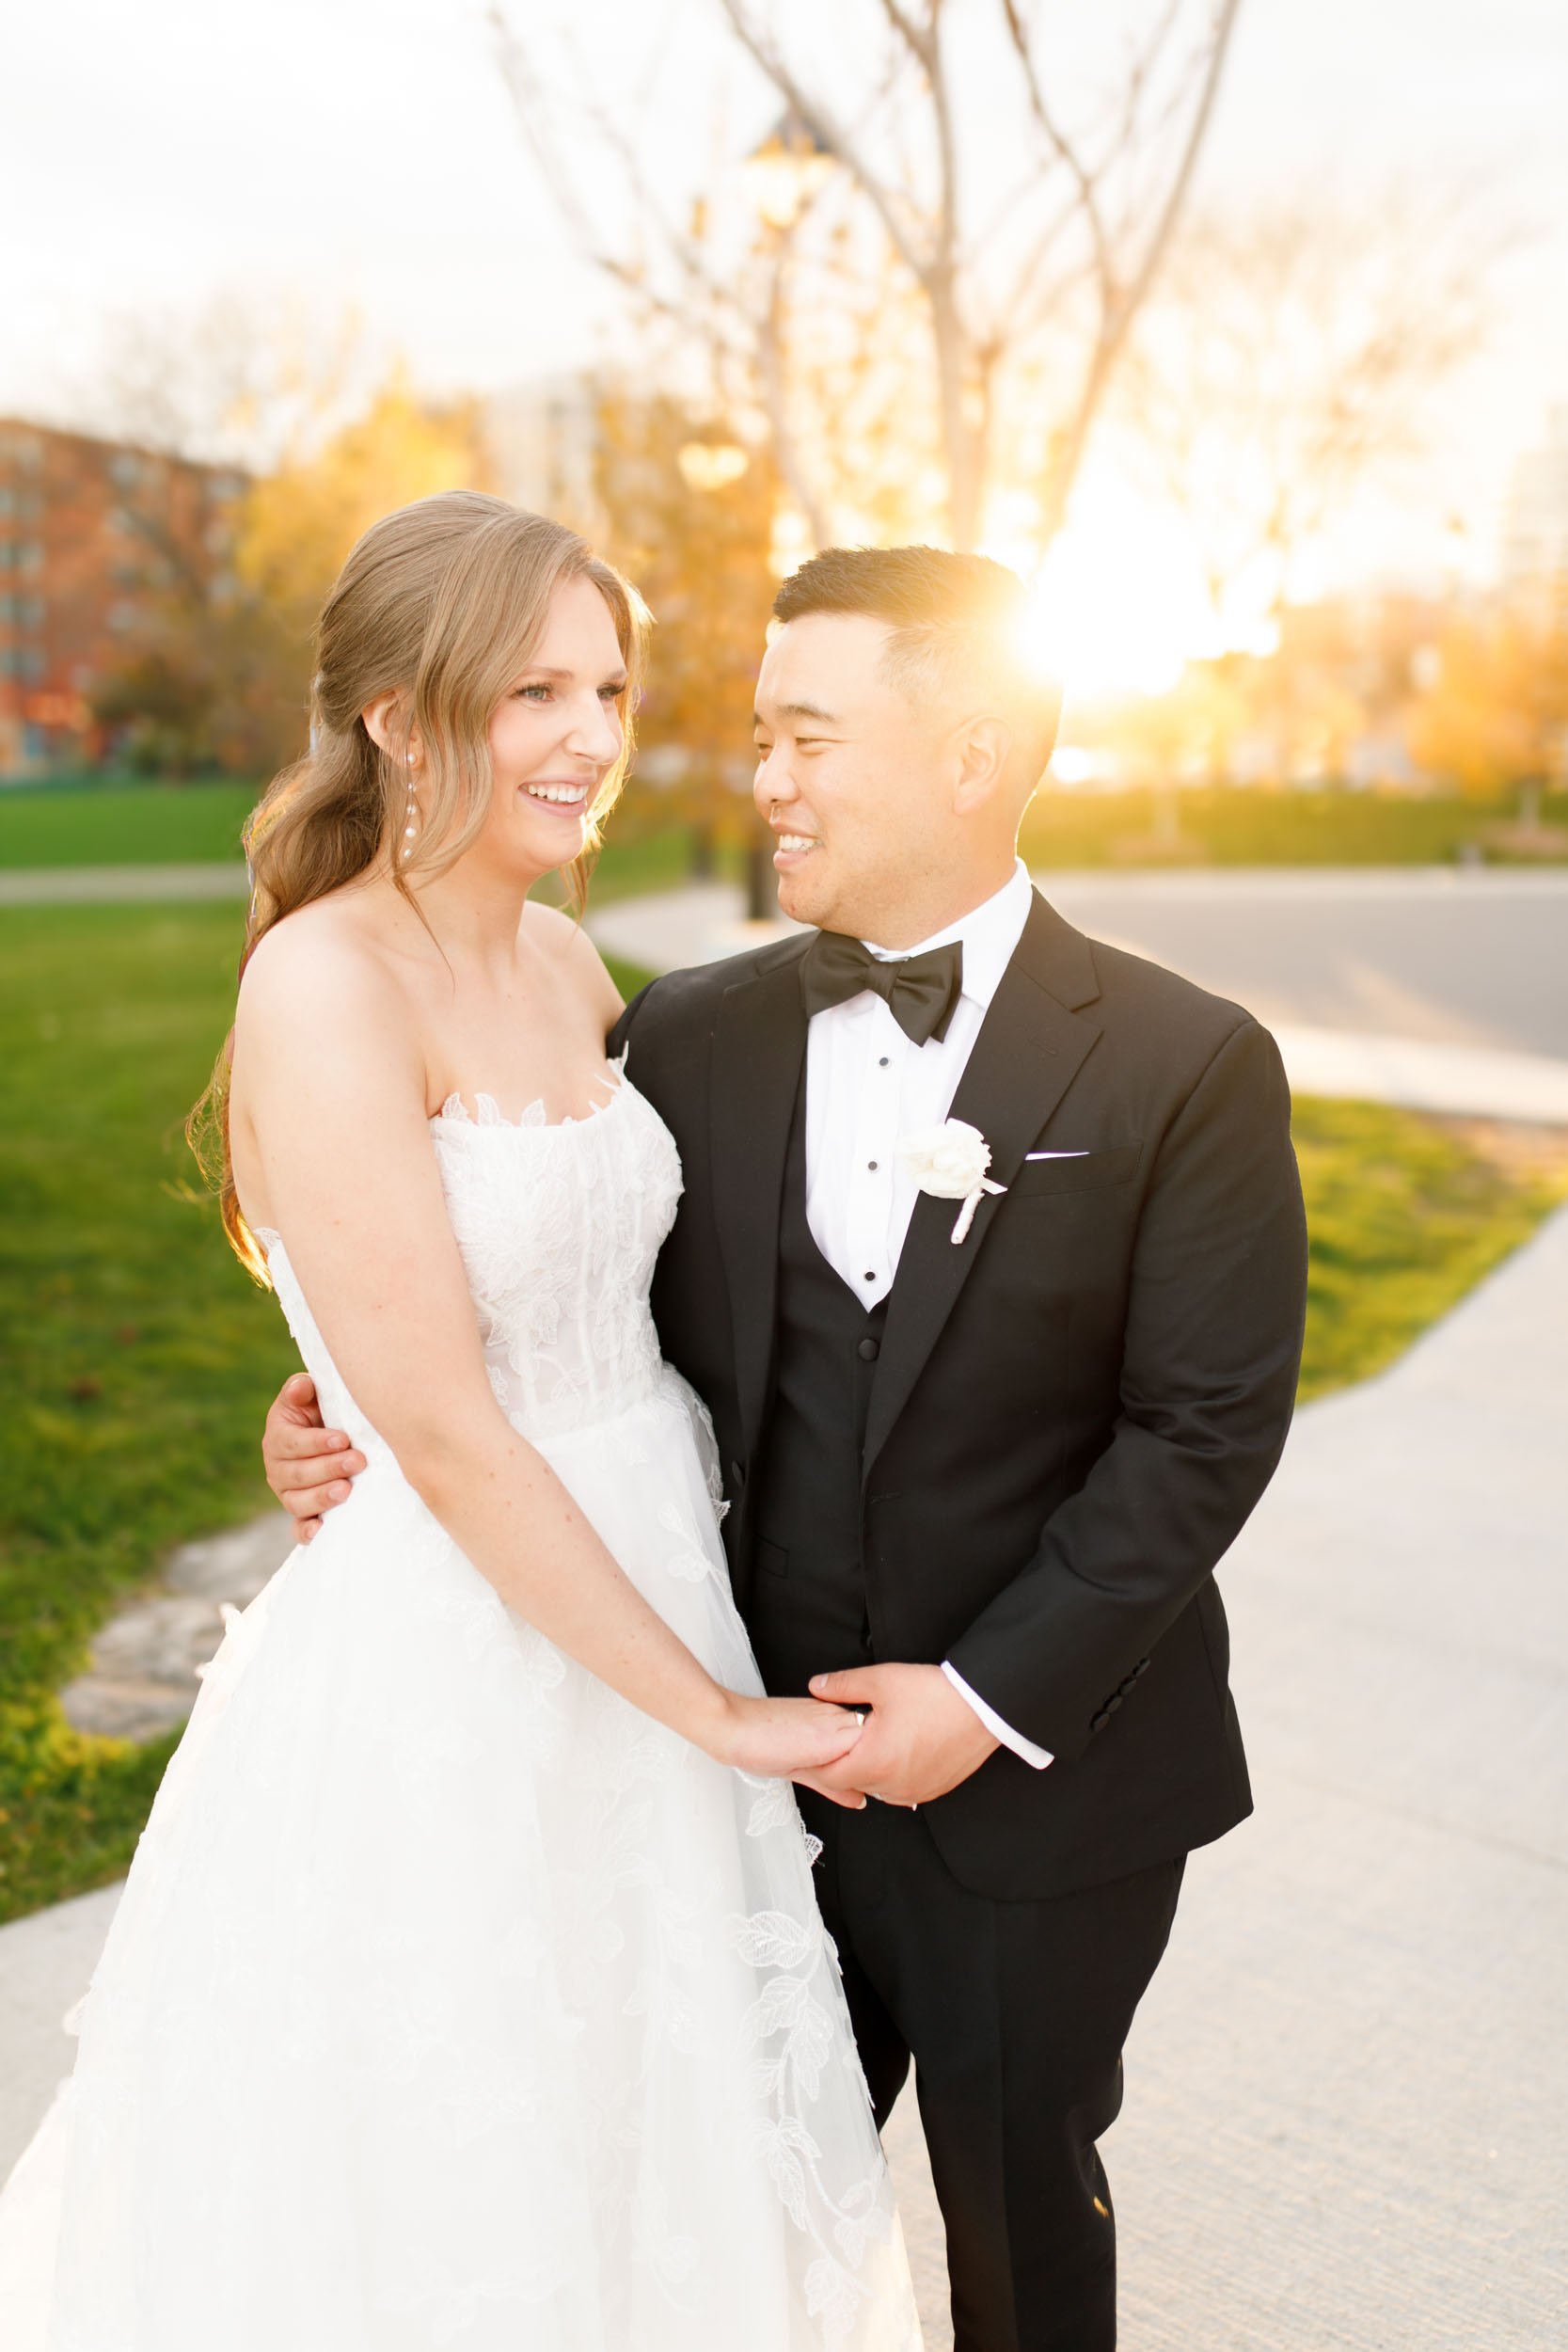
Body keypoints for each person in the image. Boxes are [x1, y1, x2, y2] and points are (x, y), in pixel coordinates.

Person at [270, 542, 1310, 2352]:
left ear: (969, 754)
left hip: (1036, 1785)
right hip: (713, 1760)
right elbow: (515, 1282)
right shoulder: (690, 1028)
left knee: (1016, 2209)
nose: (761, 779)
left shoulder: (1183, 1058)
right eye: (757, 732)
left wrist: (979, 1700)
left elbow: (1203, 1435)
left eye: (808, 736)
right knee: (706, 2219)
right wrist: (334, 1413)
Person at [0, 494, 923, 2352]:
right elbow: (444, 1418)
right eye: (531, 690)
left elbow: (611, 1302)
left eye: (609, 683)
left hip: (650, 1563)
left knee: (646, 2126)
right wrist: (717, 1714)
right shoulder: (326, 978)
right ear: (401, 717)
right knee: (458, 2137)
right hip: (462, 1652)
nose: (590, 733)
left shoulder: (571, 966)